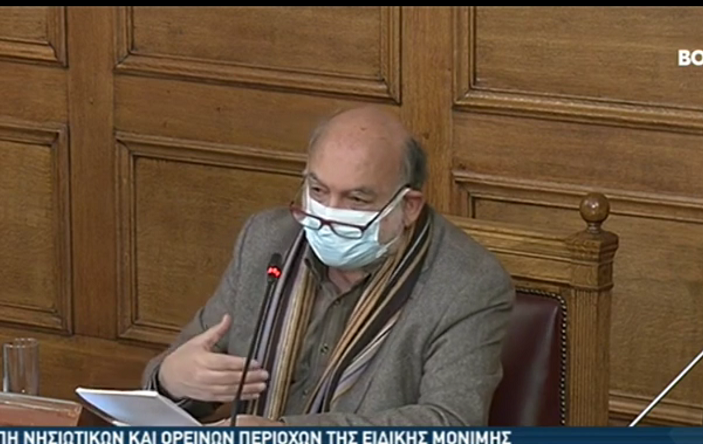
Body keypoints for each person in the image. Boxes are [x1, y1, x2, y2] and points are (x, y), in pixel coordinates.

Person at [142, 105, 515, 427]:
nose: (328, 215)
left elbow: (450, 426)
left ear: (408, 207)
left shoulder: (467, 283)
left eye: (356, 199)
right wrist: (170, 380)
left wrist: (286, 440)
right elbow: (176, 371)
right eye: (318, 191)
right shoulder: (268, 240)